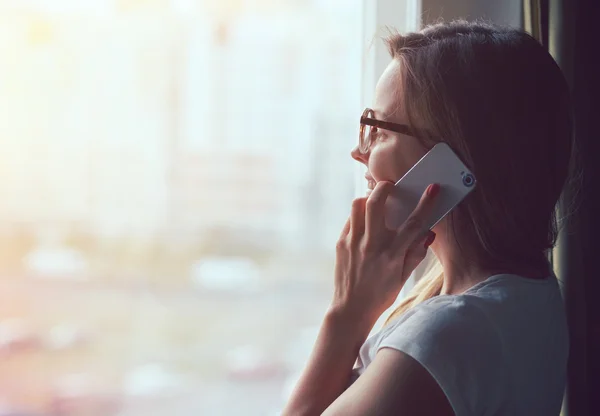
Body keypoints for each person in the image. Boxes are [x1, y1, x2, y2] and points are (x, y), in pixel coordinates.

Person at [282, 20, 574, 416]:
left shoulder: (447, 337)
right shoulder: (524, 292)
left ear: (449, 159)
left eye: (377, 129)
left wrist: (348, 313)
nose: (358, 151)